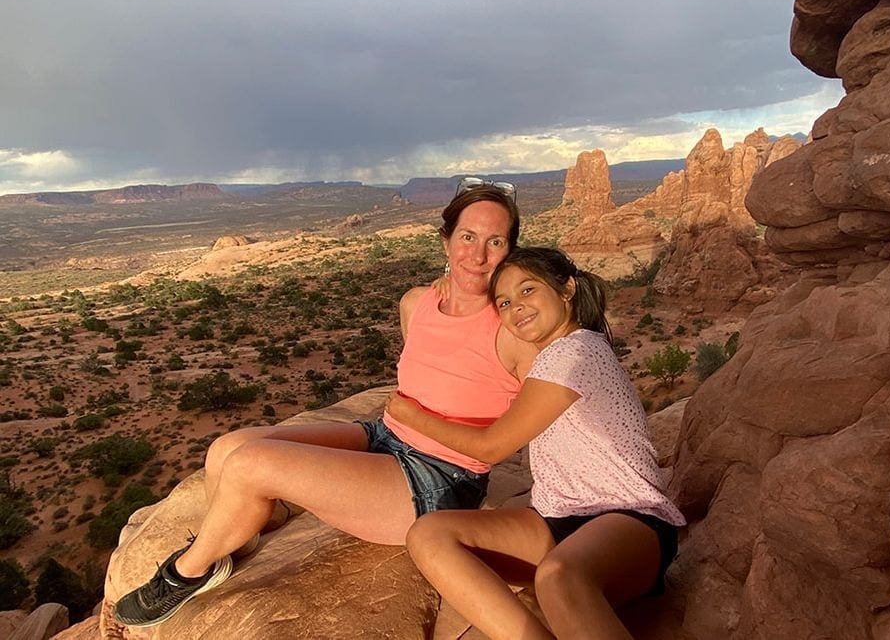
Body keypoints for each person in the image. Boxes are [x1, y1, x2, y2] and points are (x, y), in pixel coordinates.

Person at [114, 180, 537, 628]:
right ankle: (238, 535)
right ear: (445, 239)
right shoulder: (417, 303)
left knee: (250, 465)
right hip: (385, 437)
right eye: (467, 237)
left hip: (438, 479)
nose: (478, 254)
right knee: (226, 448)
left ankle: (185, 573)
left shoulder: (514, 327)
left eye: (496, 241)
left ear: (511, 250)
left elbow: (544, 407)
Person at [387, 247, 686, 640]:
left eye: (528, 291)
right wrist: (451, 286)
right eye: (505, 302)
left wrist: (411, 416)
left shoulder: (576, 351)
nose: (517, 308)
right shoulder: (547, 359)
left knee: (559, 577)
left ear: (567, 289)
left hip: (628, 521)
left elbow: (491, 446)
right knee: (430, 534)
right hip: (554, 520)